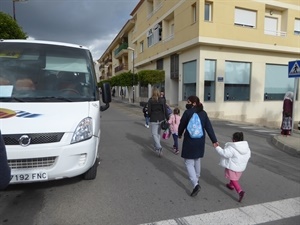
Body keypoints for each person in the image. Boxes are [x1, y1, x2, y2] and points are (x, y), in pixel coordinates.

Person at [178, 96, 218, 197]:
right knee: (197, 158)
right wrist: (214, 140)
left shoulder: (188, 113)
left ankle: (195, 184)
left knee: (188, 162)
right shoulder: (203, 113)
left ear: (194, 103)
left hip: (190, 140)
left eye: (188, 102)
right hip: (200, 140)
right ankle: (197, 177)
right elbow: (209, 127)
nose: (187, 103)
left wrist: (179, 134)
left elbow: (182, 125)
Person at [214, 132, 251, 203]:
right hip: (241, 167)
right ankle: (231, 185)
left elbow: (224, 153)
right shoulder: (247, 148)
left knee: (233, 179)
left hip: (232, 166)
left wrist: (217, 147)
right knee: (234, 177)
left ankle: (240, 191)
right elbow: (248, 156)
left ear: (234, 139)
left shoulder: (232, 148)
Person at [148, 88, 169, 157]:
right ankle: (157, 148)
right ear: (159, 93)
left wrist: (150, 116)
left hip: (154, 119)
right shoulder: (162, 100)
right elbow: (165, 110)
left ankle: (159, 147)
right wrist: (167, 118)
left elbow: (149, 111)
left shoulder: (150, 100)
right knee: (158, 134)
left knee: (154, 134)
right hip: (161, 119)